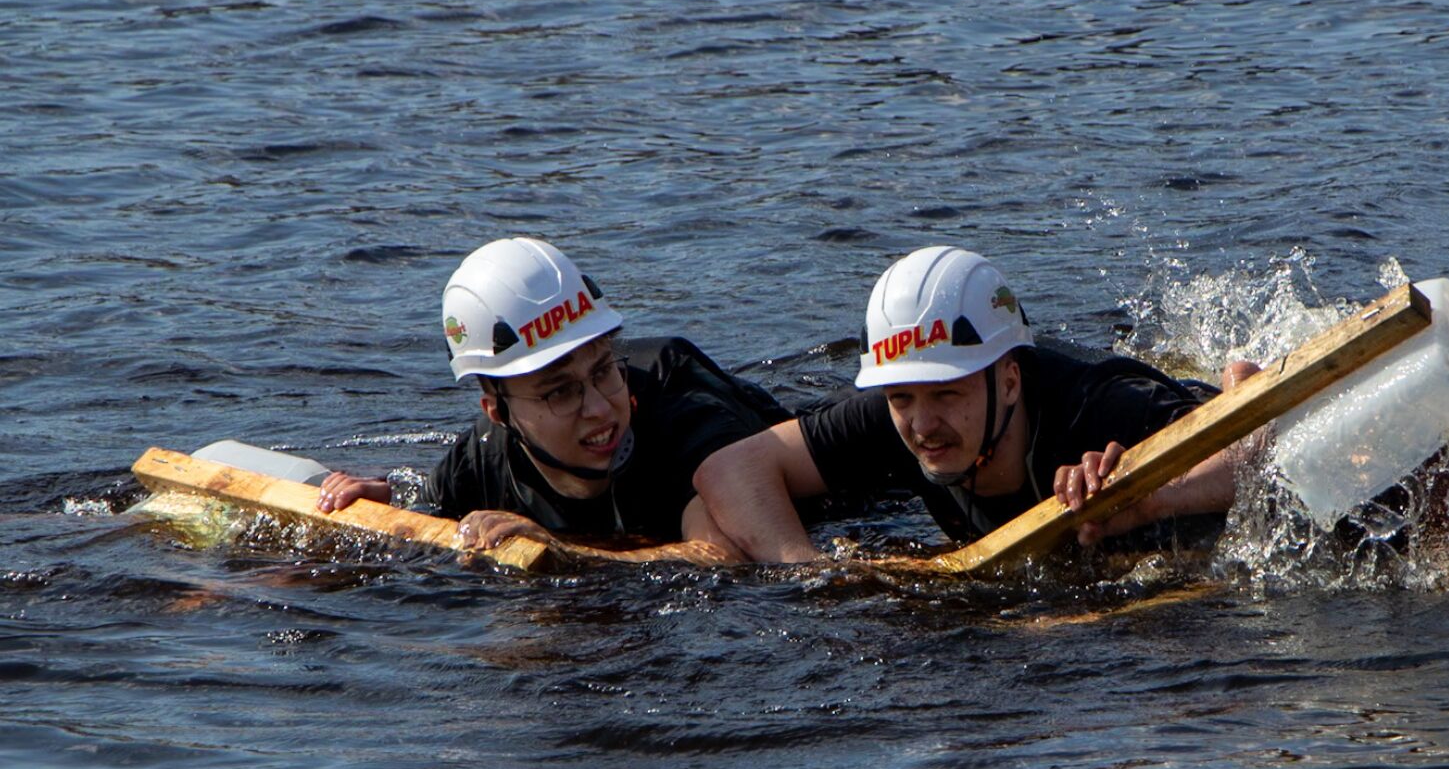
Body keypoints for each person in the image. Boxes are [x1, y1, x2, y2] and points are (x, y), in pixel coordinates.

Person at [694, 245, 1266, 563]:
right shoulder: (894, 416)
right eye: (901, 397)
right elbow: (730, 469)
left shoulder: (1099, 410)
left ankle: (1233, 378)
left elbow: (1266, 448)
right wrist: (810, 572)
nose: (922, 425)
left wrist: (1150, 498)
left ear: (1010, 382)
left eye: (947, 392)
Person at [316, 237, 788, 556]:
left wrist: (563, 552)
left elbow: (721, 555)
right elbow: (425, 534)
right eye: (560, 392)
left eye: (604, 370)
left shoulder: (683, 412)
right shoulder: (479, 462)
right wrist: (382, 515)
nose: (601, 407)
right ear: (497, 411)